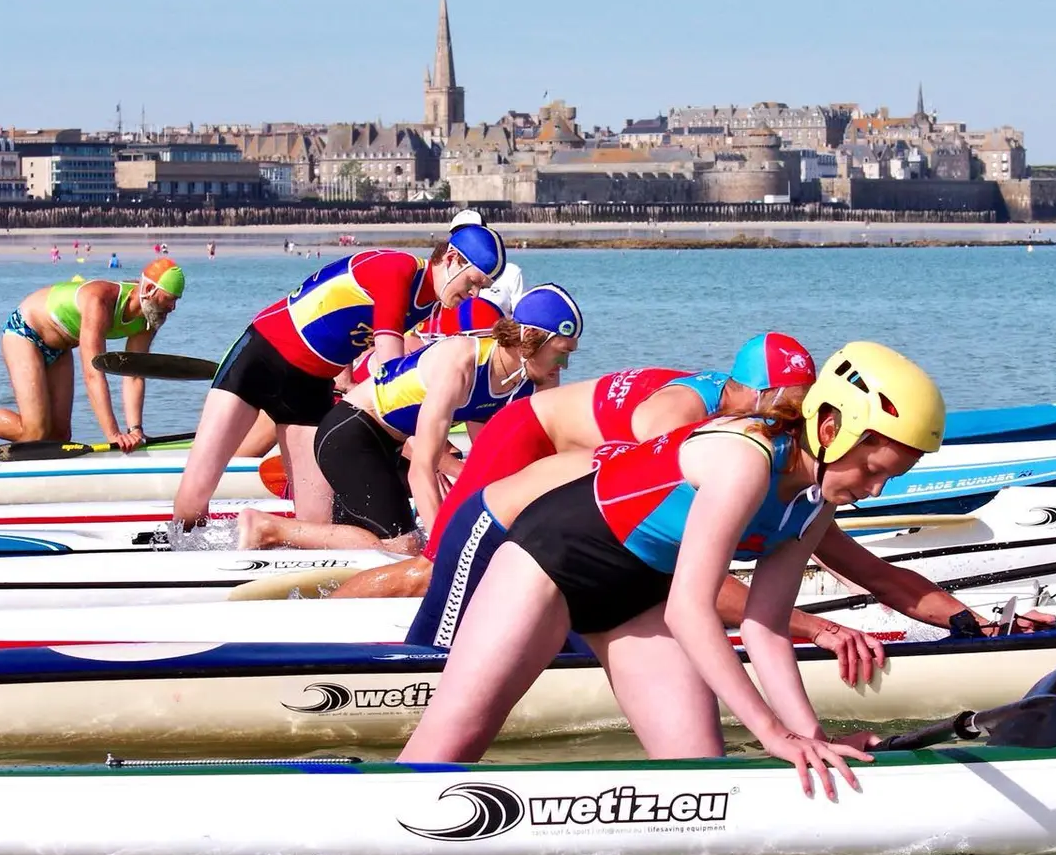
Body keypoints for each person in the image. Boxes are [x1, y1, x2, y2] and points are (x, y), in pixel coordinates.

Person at [399, 342, 949, 797]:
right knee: (449, 749)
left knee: (701, 781)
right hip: (553, 563)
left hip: (640, 596)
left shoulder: (816, 500)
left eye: (890, 478)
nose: (875, 489)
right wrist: (770, 733)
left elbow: (764, 626)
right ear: (831, 429)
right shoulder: (745, 459)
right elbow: (691, 610)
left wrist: (812, 737)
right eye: (872, 469)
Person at [331, 332, 818, 602]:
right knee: (429, 570)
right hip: (523, 438)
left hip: (564, 460)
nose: (794, 420)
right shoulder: (679, 414)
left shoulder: (734, 409)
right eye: (789, 406)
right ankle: (326, 616)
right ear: (755, 393)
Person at [172, 226, 505, 528]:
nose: (474, 294)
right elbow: (392, 377)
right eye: (473, 282)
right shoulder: (398, 270)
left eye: (483, 287)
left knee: (315, 522)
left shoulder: (430, 303)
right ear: (452, 258)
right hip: (261, 359)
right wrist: (431, 456)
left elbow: (355, 339)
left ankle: (268, 544)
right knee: (194, 497)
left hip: (310, 387)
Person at [240, 284, 581, 554]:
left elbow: (495, 466)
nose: (563, 366)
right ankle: (267, 528)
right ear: (529, 339)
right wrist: (445, 550)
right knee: (406, 546)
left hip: (388, 445)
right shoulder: (460, 363)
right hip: (350, 432)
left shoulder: (524, 380)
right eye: (561, 354)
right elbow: (422, 469)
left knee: (384, 537)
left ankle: (321, 546)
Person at [0, 258, 183, 447]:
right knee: (34, 433)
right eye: (169, 298)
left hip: (59, 348)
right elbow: (93, 373)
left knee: (59, 437)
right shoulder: (100, 300)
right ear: (148, 290)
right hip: (25, 334)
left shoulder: (152, 316)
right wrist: (113, 435)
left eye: (176, 300)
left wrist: (135, 430)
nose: (172, 307)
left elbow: (134, 374)